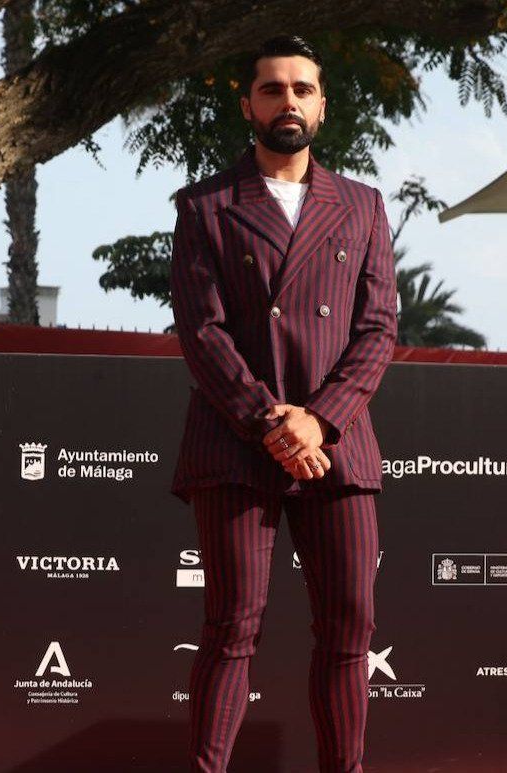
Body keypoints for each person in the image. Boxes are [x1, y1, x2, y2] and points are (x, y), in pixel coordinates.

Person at [168, 34, 398, 773]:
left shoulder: (361, 206)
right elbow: (199, 329)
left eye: (302, 88)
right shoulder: (205, 206)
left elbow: (378, 327)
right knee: (230, 627)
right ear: (247, 104)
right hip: (236, 445)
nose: (287, 101)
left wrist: (317, 418)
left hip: (338, 444)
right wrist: (271, 420)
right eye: (272, 89)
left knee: (348, 631)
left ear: (322, 105)